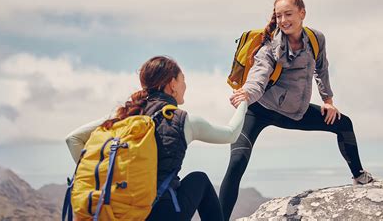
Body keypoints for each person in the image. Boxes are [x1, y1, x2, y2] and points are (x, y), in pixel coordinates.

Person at [219, 0, 374, 220]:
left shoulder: (315, 39)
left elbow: (322, 70)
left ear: (302, 13)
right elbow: (258, 77)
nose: (283, 20)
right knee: (238, 161)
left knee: (343, 124)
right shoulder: (269, 45)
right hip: (257, 108)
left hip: (294, 111)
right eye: (279, 15)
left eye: (288, 14)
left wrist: (328, 101)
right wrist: (247, 94)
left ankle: (359, 176)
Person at [65, 56, 248, 221]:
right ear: (172, 84)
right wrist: (244, 103)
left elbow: (73, 139)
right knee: (199, 180)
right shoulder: (183, 120)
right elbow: (231, 134)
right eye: (183, 79)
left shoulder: (122, 115)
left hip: (117, 211)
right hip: (161, 213)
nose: (186, 86)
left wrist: (103, 177)